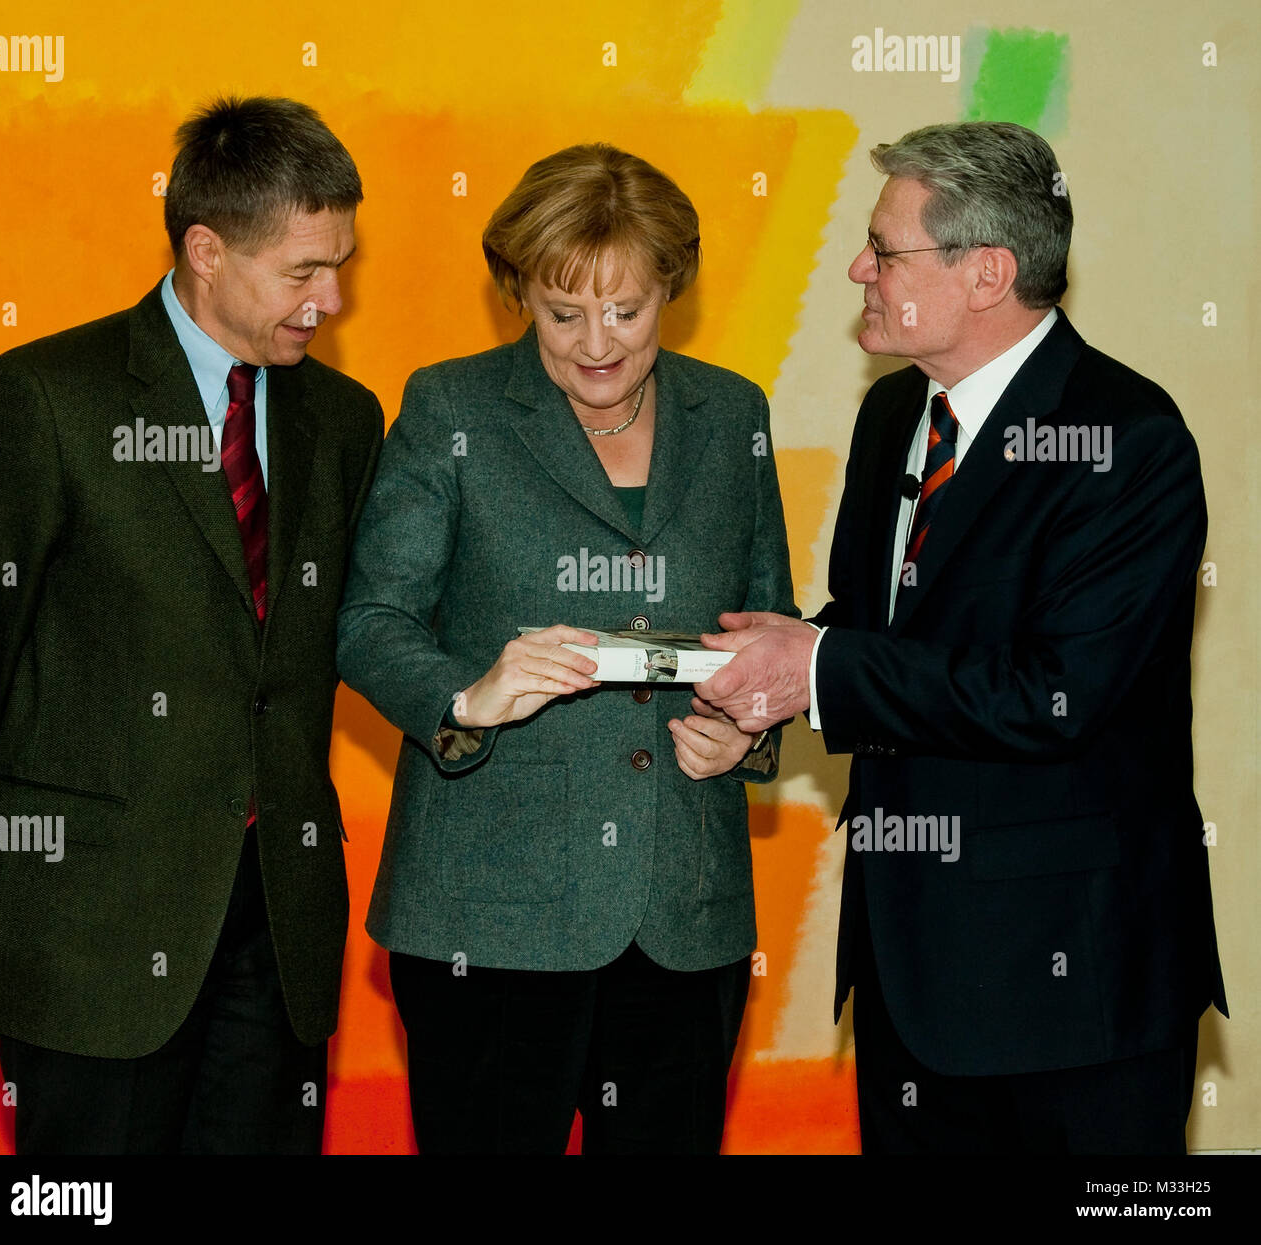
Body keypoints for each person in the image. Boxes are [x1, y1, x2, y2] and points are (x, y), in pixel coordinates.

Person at [696, 121, 1227, 1154]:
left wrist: (818, 668)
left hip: (1070, 995)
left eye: (884, 249)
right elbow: (894, 628)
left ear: (985, 273)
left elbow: (1052, 694)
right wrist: (782, 661)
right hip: (910, 977)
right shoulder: (895, 411)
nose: (858, 267)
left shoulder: (1127, 439)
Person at [336, 143, 795, 1154]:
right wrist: (468, 696)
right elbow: (371, 622)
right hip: (489, 913)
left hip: (686, 911)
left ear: (671, 286)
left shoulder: (732, 415)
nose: (596, 343)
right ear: (518, 295)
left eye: (625, 310)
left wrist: (747, 733)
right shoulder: (451, 408)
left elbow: (771, 634)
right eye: (561, 312)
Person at [0, 96, 384, 1154]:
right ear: (205, 248)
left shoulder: (343, 420)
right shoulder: (44, 398)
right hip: (87, 937)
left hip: (278, 940)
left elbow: (365, 632)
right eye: (303, 270)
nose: (331, 298)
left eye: (341, 263)